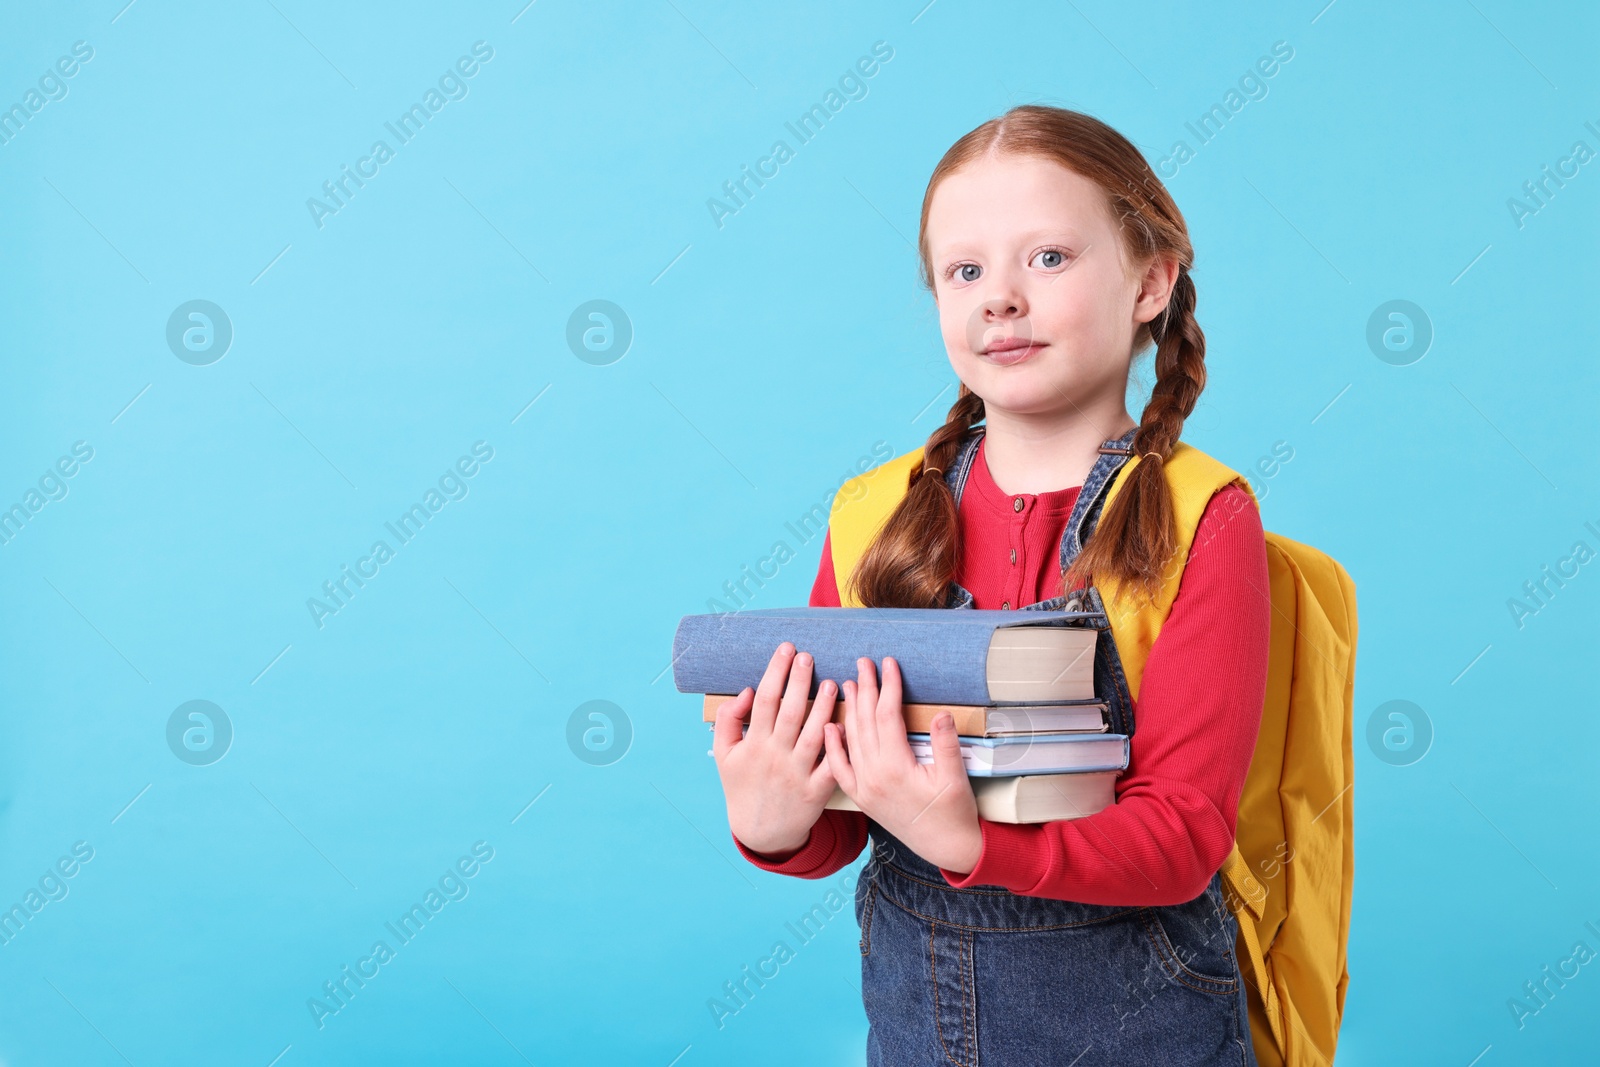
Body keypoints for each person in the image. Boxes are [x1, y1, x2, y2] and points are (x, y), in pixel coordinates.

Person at [709, 104, 1270, 1065]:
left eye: (1048, 257)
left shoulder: (1202, 515)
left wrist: (974, 844)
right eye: (965, 270)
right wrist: (775, 824)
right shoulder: (871, 515)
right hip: (924, 1025)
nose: (999, 297)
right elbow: (840, 817)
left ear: (1151, 280)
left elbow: (1183, 834)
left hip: (1146, 1027)